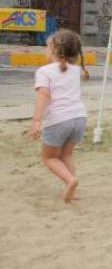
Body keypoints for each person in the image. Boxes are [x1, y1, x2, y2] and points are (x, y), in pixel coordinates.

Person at [29, 29, 87, 203]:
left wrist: (36, 120)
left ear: (54, 50)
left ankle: (70, 180)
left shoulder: (44, 71)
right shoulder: (76, 70)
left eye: (47, 47)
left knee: (49, 157)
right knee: (66, 155)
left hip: (58, 120)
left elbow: (44, 95)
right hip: (79, 118)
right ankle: (72, 189)